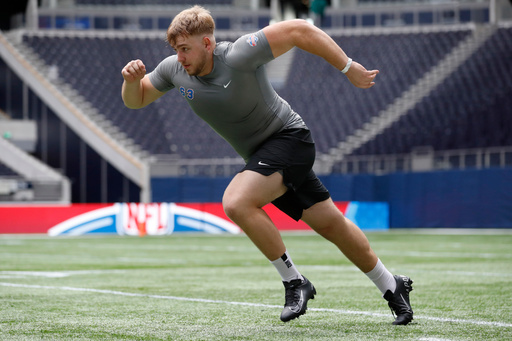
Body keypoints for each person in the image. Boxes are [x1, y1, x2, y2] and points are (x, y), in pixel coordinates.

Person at [121, 5, 414, 325]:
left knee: (236, 201)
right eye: (176, 50)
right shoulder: (173, 69)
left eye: (185, 49)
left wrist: (347, 67)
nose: (180, 57)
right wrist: (131, 81)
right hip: (263, 156)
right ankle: (392, 285)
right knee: (332, 225)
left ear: (207, 44)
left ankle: (294, 281)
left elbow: (300, 29)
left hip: (290, 140)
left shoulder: (237, 56)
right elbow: (135, 100)